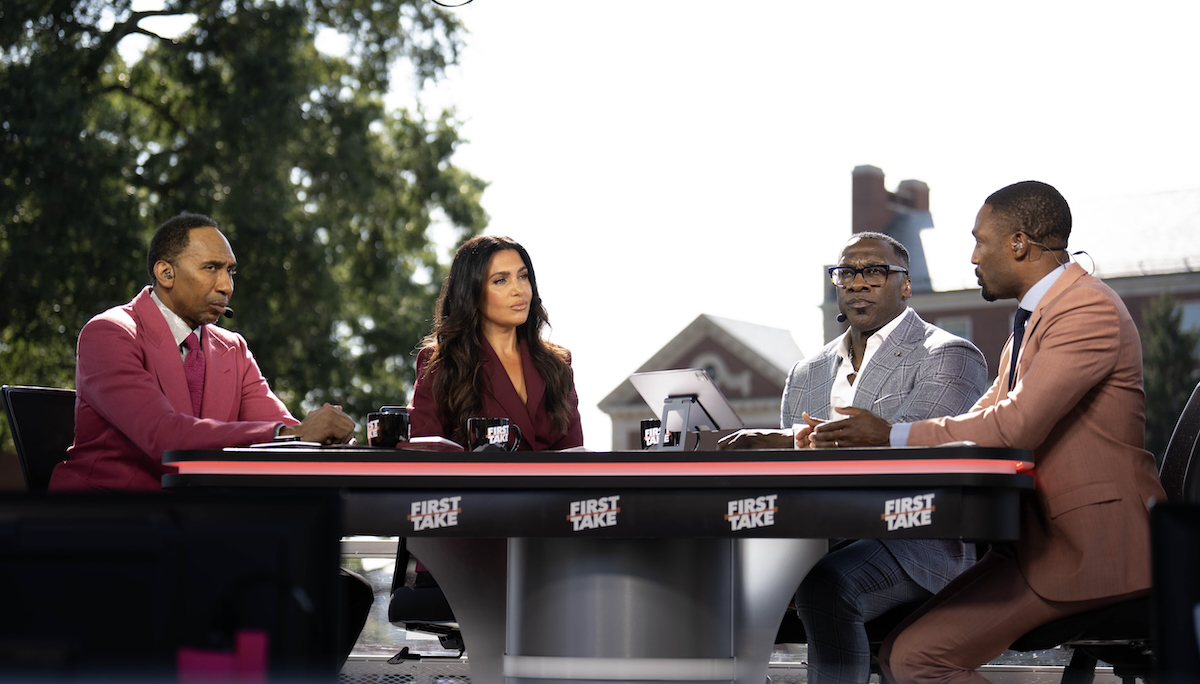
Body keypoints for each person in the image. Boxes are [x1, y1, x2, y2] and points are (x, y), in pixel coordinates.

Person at [809, 182, 1167, 684]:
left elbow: (1014, 424)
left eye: (980, 241)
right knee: (901, 654)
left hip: (1091, 550)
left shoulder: (1087, 309)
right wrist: (839, 438)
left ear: (1019, 243)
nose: (973, 256)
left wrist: (889, 434)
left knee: (916, 661)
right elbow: (977, 422)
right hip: (1035, 544)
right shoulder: (1032, 323)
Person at [48, 212, 369, 662]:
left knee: (341, 591)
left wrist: (326, 439)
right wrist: (288, 432)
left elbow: (285, 437)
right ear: (165, 272)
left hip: (195, 534)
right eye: (212, 268)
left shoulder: (231, 350)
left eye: (231, 271)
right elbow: (165, 436)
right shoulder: (110, 333)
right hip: (111, 529)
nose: (226, 285)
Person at [718, 232, 988, 684]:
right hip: (817, 536)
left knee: (829, 582)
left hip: (917, 538)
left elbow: (912, 448)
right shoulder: (807, 372)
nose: (858, 282)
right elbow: (793, 483)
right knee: (716, 569)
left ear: (904, 284)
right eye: (846, 272)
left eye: (874, 271)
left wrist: (791, 442)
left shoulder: (950, 355)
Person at [409, 235, 583, 450]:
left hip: (550, 484)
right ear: (472, 292)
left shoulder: (558, 363)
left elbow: (575, 456)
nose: (519, 290)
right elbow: (423, 455)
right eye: (500, 280)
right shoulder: (441, 362)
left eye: (523, 276)